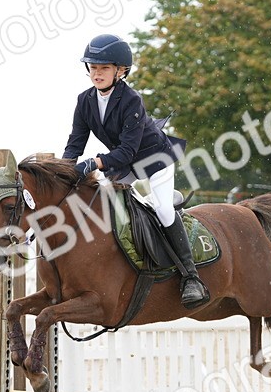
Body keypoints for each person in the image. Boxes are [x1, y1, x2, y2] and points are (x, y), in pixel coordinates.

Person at [62, 33, 209, 308]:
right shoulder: (85, 100)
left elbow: (127, 151)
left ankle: (191, 277)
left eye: (104, 68)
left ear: (121, 71)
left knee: (163, 210)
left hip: (154, 160)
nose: (97, 73)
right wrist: (64, 170)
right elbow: (75, 142)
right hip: (124, 164)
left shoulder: (131, 100)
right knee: (104, 207)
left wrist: (94, 163)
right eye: (93, 67)